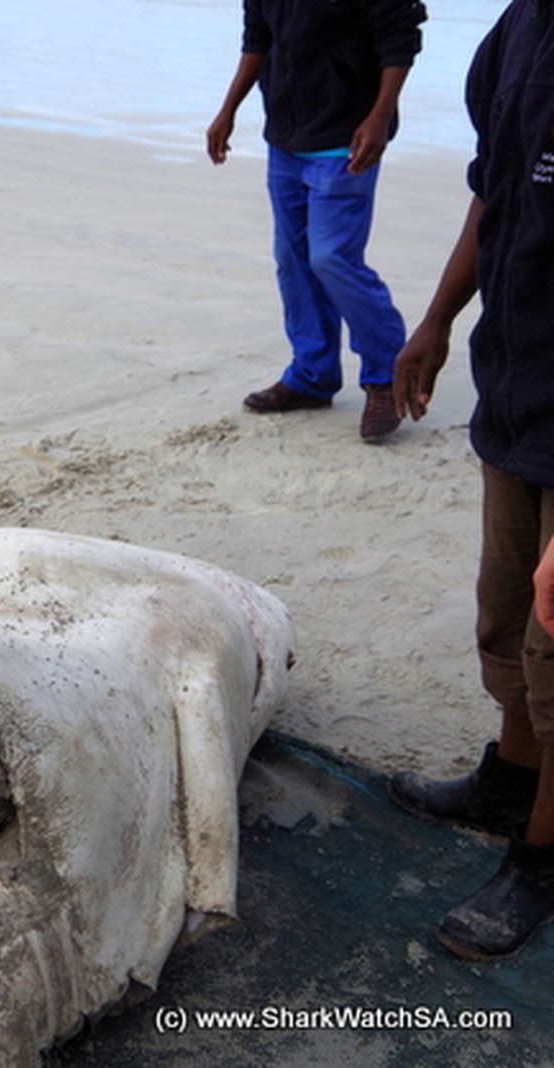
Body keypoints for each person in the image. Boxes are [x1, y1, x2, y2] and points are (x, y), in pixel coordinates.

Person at [385, 0, 554, 959]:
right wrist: (440, 318)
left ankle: (541, 857)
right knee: (504, 611)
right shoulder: (519, 27)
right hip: (520, 384)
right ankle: (511, 780)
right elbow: (493, 192)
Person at [206, 0, 426, 442]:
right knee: (292, 260)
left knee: (331, 258)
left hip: (346, 140)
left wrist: (380, 116)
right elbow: (258, 38)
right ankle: (312, 376)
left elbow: (401, 35)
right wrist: (228, 109)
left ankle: (385, 376)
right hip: (285, 138)